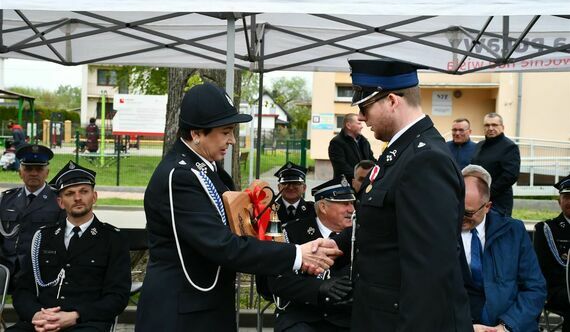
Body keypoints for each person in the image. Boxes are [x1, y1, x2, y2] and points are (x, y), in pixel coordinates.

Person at [135, 82, 341, 332]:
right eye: (225, 131)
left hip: (209, 303)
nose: (232, 140)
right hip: (181, 311)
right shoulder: (178, 176)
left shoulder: (211, 171)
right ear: (196, 133)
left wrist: (292, 250)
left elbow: (240, 234)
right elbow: (222, 245)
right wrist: (297, 255)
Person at [330, 60, 472, 331]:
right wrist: (336, 244)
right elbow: (387, 227)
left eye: (365, 107)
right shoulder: (401, 152)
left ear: (392, 100)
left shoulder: (425, 160)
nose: (361, 117)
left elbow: (429, 271)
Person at [7, 160, 131, 332]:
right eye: (70, 193)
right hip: (43, 320)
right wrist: (36, 315)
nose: (78, 198)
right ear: (60, 202)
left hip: (86, 322)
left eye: (84, 192)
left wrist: (75, 316)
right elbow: (23, 289)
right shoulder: (43, 237)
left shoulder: (112, 239)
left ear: (94, 197)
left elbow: (117, 296)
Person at [460, 164, 546, 332]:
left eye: (468, 213)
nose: (460, 217)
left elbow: (535, 288)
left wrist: (507, 326)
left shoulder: (514, 232)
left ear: (487, 207)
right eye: (457, 208)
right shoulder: (441, 233)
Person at [268, 176, 355, 332]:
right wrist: (319, 288)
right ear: (323, 207)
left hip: (347, 318)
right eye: (344, 204)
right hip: (303, 316)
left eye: (352, 203)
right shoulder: (292, 232)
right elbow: (279, 281)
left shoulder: (358, 236)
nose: (352, 209)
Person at [0, 144, 63, 285]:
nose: (34, 173)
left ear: (47, 173)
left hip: (40, 269)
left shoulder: (59, 200)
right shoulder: (6, 199)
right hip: (6, 267)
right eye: (28, 169)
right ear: (20, 172)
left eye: (39, 169)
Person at [534, 174, 570, 331]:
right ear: (559, 201)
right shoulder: (547, 229)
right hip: (558, 290)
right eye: (567, 197)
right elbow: (543, 269)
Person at [471, 113, 520, 216]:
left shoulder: (509, 147)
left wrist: (488, 193)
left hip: (499, 203)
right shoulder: (479, 145)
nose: (490, 128)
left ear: (502, 127)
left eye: (494, 125)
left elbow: (510, 176)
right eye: (487, 125)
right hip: (478, 200)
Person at [328, 113, 376, 181]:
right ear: (348, 125)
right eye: (359, 123)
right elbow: (341, 167)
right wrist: (361, 178)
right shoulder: (336, 142)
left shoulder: (364, 141)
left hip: (364, 185)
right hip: (346, 187)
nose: (362, 126)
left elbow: (371, 160)